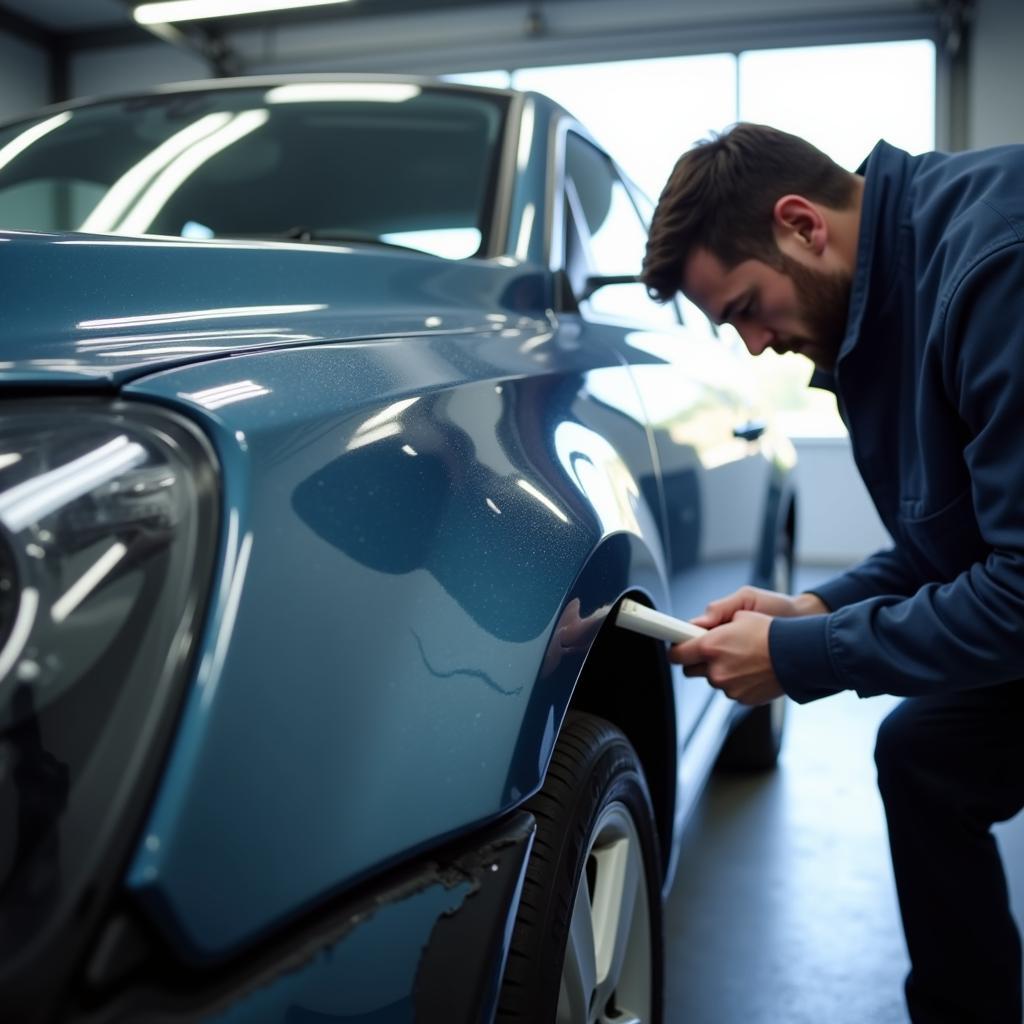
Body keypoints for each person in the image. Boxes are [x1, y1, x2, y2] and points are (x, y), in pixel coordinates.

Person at [641, 122, 1024, 1024]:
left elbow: (1019, 595)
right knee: (924, 754)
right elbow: (950, 545)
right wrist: (812, 606)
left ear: (801, 224)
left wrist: (804, 655)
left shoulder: (993, 268)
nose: (755, 346)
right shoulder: (872, 311)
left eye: (744, 308)